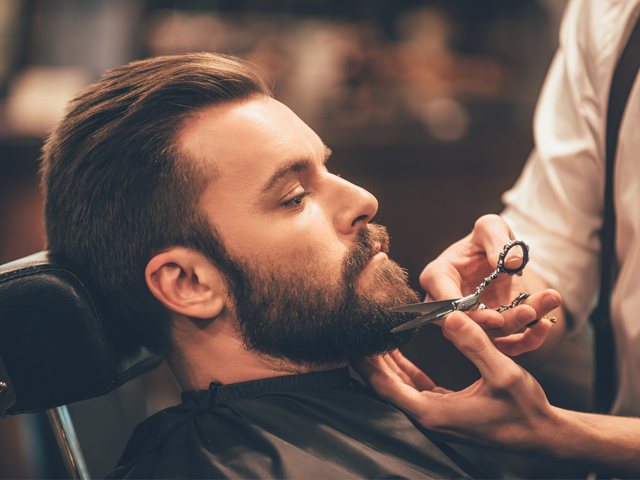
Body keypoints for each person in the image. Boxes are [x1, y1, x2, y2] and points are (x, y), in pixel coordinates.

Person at [40, 52, 559, 478]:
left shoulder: (382, 400)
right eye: (293, 197)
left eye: (327, 168)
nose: (363, 199)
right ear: (190, 283)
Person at [356, 0, 640, 476]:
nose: (363, 200)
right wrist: (511, 296)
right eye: (295, 195)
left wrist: (568, 435)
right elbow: (559, 239)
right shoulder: (609, 14)